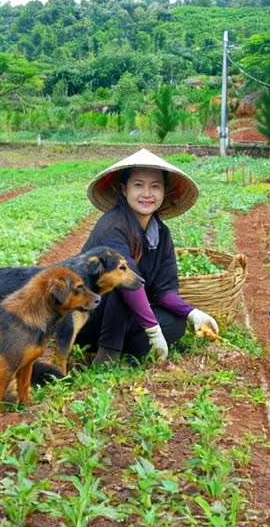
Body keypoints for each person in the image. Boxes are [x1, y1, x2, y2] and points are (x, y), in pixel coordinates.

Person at [75, 148, 220, 365]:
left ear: (164, 192)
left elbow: (164, 291)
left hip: (121, 319)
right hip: (89, 314)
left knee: (176, 324)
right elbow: (125, 279)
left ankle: (127, 346)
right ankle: (107, 355)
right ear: (124, 189)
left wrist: (192, 313)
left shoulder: (161, 233)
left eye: (155, 186)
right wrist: (153, 330)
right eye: (138, 185)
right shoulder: (111, 225)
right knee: (124, 281)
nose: (147, 193)